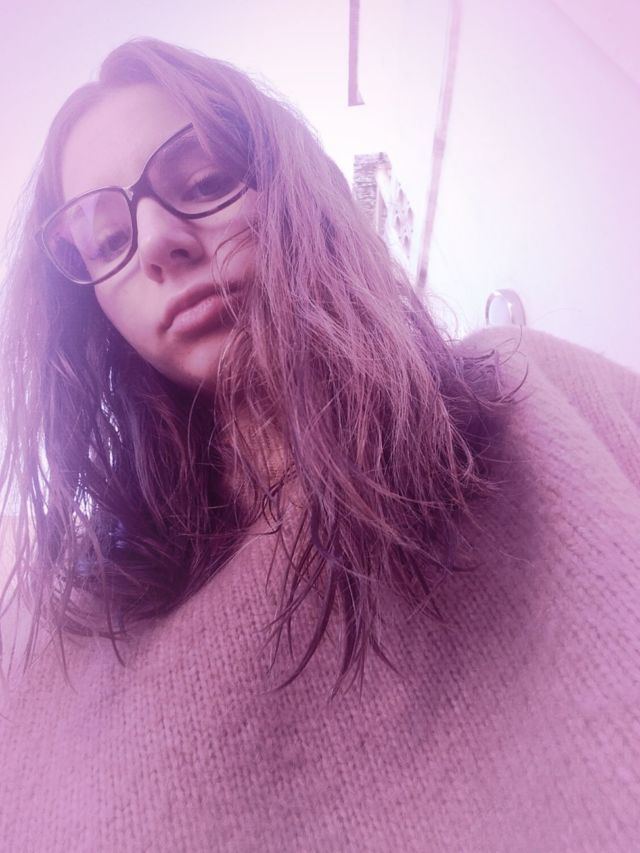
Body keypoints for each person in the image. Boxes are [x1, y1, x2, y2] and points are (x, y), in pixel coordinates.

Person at [0, 37, 638, 853]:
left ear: (296, 188)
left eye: (205, 181)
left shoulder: (536, 401)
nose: (158, 240)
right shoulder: (74, 634)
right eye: (101, 240)